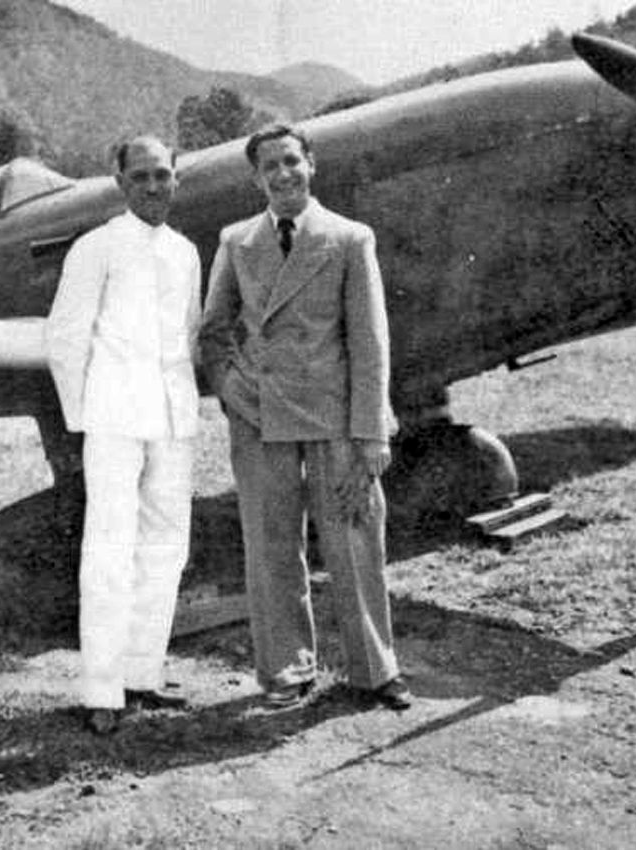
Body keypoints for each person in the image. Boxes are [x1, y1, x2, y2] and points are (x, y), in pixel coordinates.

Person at [199, 124, 411, 711]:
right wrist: (233, 388)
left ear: (310, 164)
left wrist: (371, 431)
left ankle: (374, 669)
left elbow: (370, 343)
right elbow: (213, 332)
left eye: (292, 162)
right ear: (256, 177)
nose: (283, 174)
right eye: (270, 167)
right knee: (269, 545)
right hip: (259, 416)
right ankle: (286, 672)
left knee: (355, 537)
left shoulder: (349, 239)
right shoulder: (236, 241)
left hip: (336, 417)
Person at [45, 136, 202, 736]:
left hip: (171, 420)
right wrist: (87, 417)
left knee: (166, 549)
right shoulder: (96, 248)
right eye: (141, 177)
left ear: (175, 180)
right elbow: (65, 337)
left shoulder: (186, 253)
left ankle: (143, 675)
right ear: (119, 182)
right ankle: (102, 690)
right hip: (113, 420)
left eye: (163, 175)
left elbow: (185, 334)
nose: (154, 187)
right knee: (109, 551)